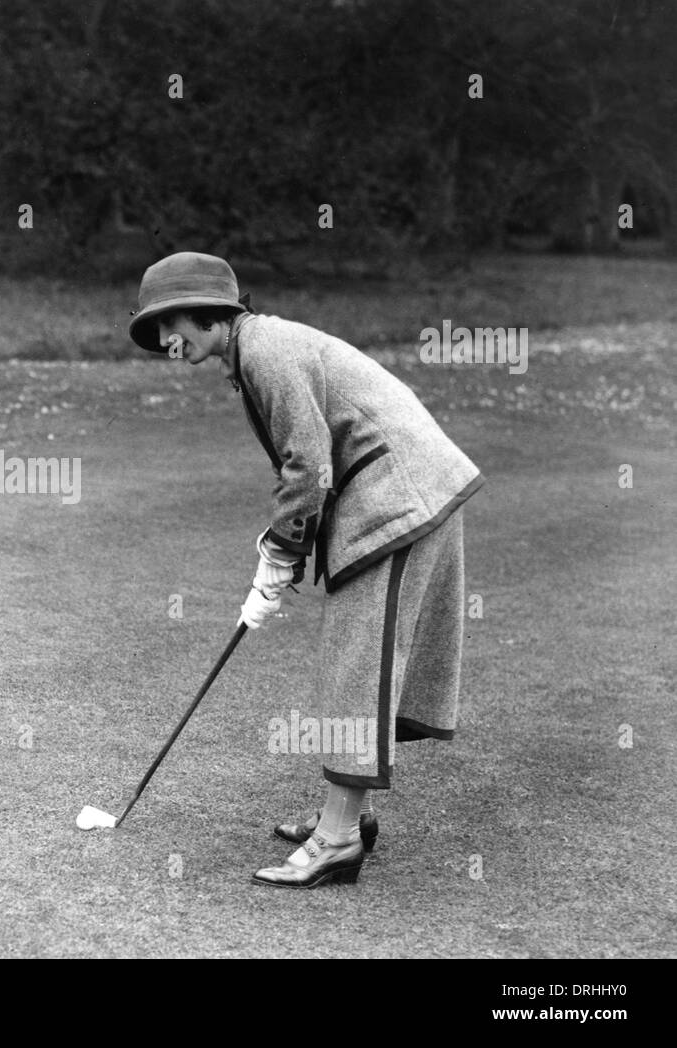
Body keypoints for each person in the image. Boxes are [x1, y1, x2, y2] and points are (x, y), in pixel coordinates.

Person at [128, 252, 483, 888]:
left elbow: (308, 466)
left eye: (167, 321)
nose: (162, 340)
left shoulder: (264, 352)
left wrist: (281, 555)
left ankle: (338, 839)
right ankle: (348, 817)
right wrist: (282, 552)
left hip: (400, 493)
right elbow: (307, 464)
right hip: (396, 488)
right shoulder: (254, 350)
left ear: (206, 315)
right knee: (358, 659)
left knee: (356, 661)